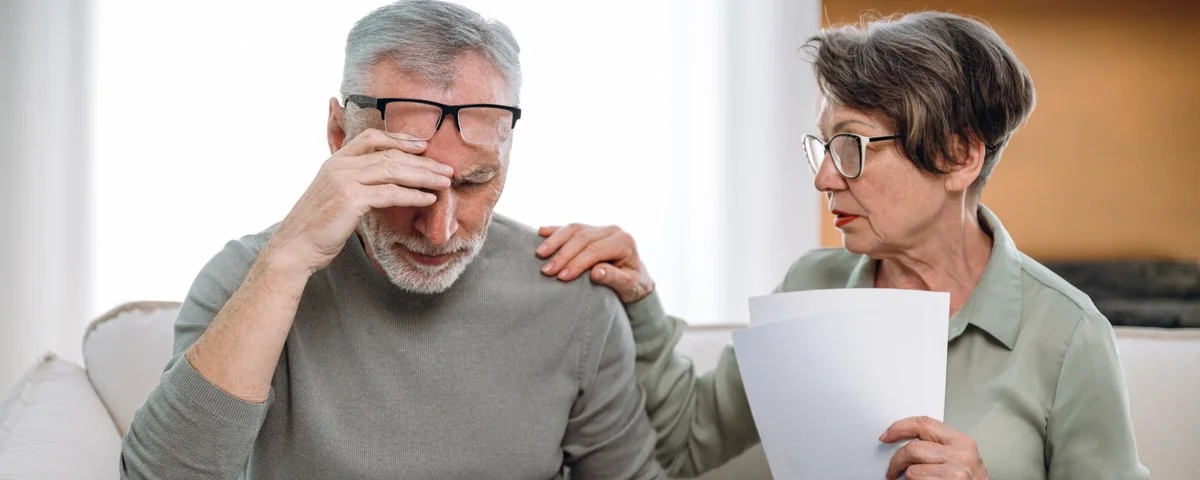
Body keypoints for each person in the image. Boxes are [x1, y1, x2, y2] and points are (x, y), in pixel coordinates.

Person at [536, 11, 1149, 480]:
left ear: (959, 156)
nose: (824, 177)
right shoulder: (811, 283)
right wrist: (641, 301)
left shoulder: (1069, 334)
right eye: (823, 146)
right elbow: (689, 446)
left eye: (852, 147)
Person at [119, 1, 665, 479]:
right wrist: (283, 267)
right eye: (407, 179)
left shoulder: (574, 300)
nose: (440, 229)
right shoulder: (250, 278)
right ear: (340, 136)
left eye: (475, 183)